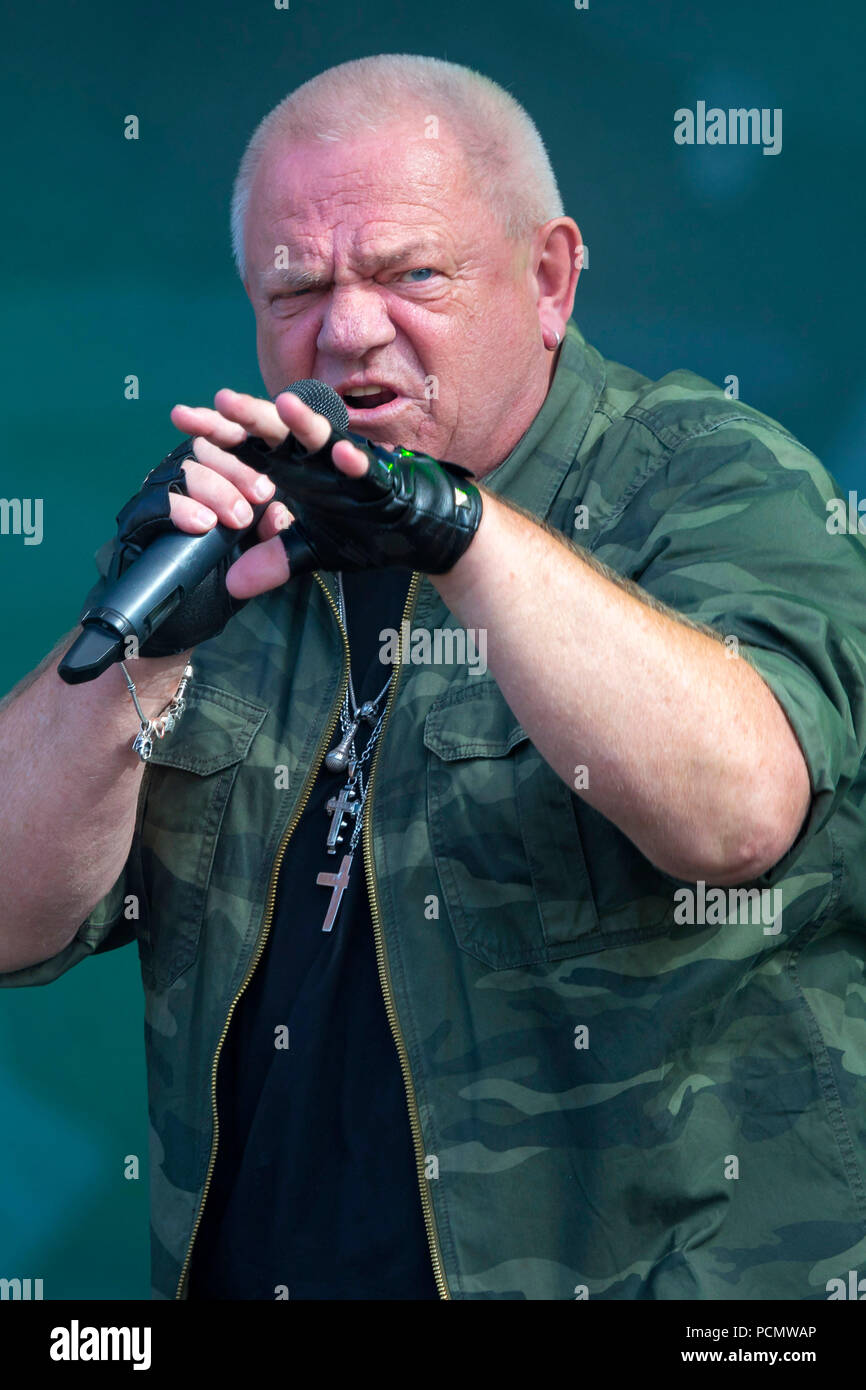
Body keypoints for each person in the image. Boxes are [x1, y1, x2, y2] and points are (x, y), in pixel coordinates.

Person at [2, 53, 865, 1302]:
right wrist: (140, 646)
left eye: (410, 274)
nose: (346, 328)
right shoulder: (233, 538)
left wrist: (452, 530)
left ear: (550, 277)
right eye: (296, 286)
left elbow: (735, 814)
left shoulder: (709, 480)